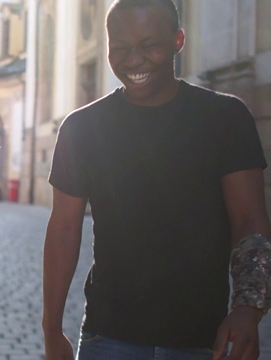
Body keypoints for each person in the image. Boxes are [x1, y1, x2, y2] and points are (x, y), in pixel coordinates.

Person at [42, 1, 271, 360]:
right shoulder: (82, 128)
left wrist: (248, 308)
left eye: (150, 45)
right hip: (108, 338)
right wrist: (52, 328)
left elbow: (249, 221)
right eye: (120, 48)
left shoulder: (225, 118)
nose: (134, 60)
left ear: (178, 39)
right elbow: (63, 230)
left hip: (202, 342)